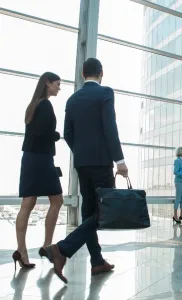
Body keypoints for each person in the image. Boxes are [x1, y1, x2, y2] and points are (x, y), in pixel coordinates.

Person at [42, 58, 128, 283]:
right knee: (103, 211)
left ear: (82, 74)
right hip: (101, 163)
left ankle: (97, 261)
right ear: (101, 73)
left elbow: (67, 133)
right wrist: (119, 160)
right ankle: (61, 249)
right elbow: (110, 128)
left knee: (90, 212)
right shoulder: (106, 93)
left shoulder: (72, 99)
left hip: (82, 163)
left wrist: (80, 152)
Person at [13, 72, 64, 270]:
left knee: (28, 203)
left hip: (30, 158)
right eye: (57, 84)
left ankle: (22, 251)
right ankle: (47, 246)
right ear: (47, 83)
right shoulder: (45, 104)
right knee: (57, 200)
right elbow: (45, 133)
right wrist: (57, 135)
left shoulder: (33, 105)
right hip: (41, 159)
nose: (59, 87)